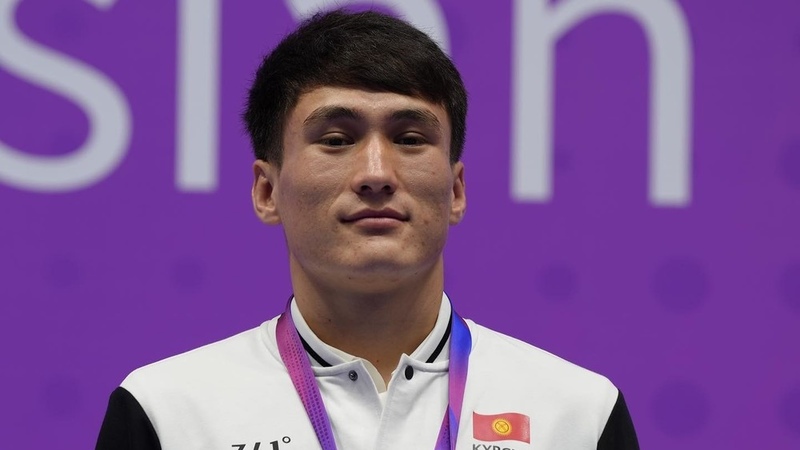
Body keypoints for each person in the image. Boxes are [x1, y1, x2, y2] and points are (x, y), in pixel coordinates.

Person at [96, 9, 638, 450]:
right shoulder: (168, 412)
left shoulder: (577, 416)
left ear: (455, 191)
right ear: (266, 191)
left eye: (409, 139)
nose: (376, 174)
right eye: (336, 140)